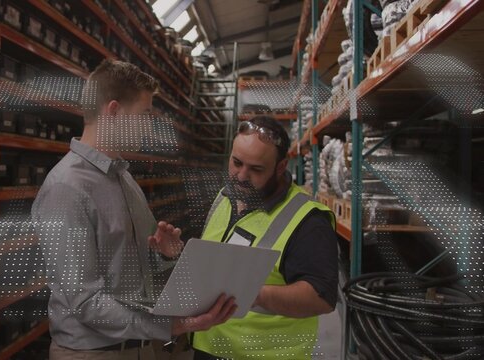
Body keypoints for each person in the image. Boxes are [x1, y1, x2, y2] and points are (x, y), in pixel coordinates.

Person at [31, 59, 236, 360]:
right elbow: (85, 301)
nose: (149, 126)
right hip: (93, 354)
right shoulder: (66, 188)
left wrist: (161, 254)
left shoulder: (123, 178)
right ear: (113, 111)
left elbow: (125, 271)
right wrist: (172, 325)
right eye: (144, 114)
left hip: (139, 346)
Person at [190, 115, 339, 359]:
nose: (241, 176)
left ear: (281, 167)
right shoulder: (224, 197)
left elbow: (320, 297)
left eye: (256, 169)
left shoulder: (308, 220)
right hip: (209, 344)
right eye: (236, 163)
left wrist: (254, 292)